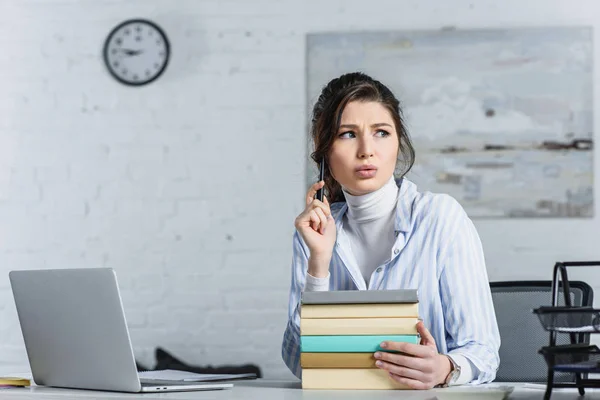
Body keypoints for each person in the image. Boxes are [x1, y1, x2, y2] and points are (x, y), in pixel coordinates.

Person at [281, 72, 500, 389]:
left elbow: (483, 353)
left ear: (399, 143)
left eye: (381, 132)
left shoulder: (440, 217)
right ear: (324, 150)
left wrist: (445, 368)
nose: (366, 150)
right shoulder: (316, 231)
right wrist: (319, 263)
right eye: (347, 134)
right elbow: (299, 364)